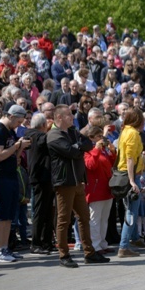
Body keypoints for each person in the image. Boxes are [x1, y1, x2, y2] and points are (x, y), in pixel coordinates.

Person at [46, 105, 110, 267]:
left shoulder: (72, 131)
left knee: (84, 217)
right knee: (64, 219)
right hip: (64, 182)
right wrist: (79, 147)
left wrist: (79, 146)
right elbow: (72, 152)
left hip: (78, 181)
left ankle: (90, 252)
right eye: (68, 115)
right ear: (59, 117)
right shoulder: (53, 135)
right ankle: (64, 254)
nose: (72, 117)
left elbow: (87, 144)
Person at [0, 105, 30, 262]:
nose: (19, 125)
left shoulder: (10, 131)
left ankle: (5, 248)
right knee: (0, 214)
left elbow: (14, 156)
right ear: (11, 116)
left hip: (11, 174)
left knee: (8, 214)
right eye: (18, 121)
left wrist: (20, 148)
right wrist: (16, 146)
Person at [116, 107, 145, 258]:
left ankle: (134, 238)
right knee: (131, 212)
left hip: (129, 174)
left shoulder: (125, 131)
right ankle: (123, 246)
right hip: (130, 176)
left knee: (133, 208)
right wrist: (132, 180)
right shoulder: (133, 134)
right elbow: (129, 158)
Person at [24, 112, 55, 254]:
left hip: (45, 178)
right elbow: (47, 140)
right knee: (40, 211)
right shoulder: (37, 136)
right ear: (43, 125)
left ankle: (46, 242)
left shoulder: (30, 134)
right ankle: (36, 243)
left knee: (48, 211)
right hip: (40, 178)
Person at [83, 125, 116, 254]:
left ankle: (102, 243)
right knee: (95, 219)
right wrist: (96, 149)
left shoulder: (103, 150)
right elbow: (90, 165)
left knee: (104, 219)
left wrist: (112, 152)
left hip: (107, 188)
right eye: (98, 137)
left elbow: (112, 164)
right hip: (95, 189)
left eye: (101, 136)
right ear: (91, 138)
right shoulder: (87, 150)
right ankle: (95, 246)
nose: (100, 139)